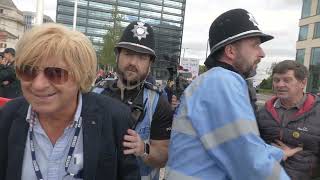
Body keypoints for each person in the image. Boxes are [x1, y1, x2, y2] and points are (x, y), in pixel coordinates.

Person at [0, 23, 140, 180]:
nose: (39, 85)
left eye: (56, 73)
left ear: (80, 75)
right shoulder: (7, 116)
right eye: (28, 70)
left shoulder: (114, 118)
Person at [165, 9, 290, 179]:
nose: (262, 53)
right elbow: (249, 161)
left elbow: (233, 141)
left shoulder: (213, 81)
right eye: (255, 45)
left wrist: (277, 152)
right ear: (230, 51)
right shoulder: (222, 82)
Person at [93, 21, 173, 180]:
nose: (133, 63)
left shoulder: (158, 103)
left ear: (150, 63)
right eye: (128, 54)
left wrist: (144, 148)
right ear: (117, 55)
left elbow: (163, 157)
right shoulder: (96, 94)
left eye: (142, 57)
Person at [257, 60, 320, 180]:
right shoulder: (262, 113)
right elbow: (252, 147)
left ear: (303, 83)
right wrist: (274, 153)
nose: (280, 85)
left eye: (287, 80)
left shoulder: (317, 112)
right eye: (276, 80)